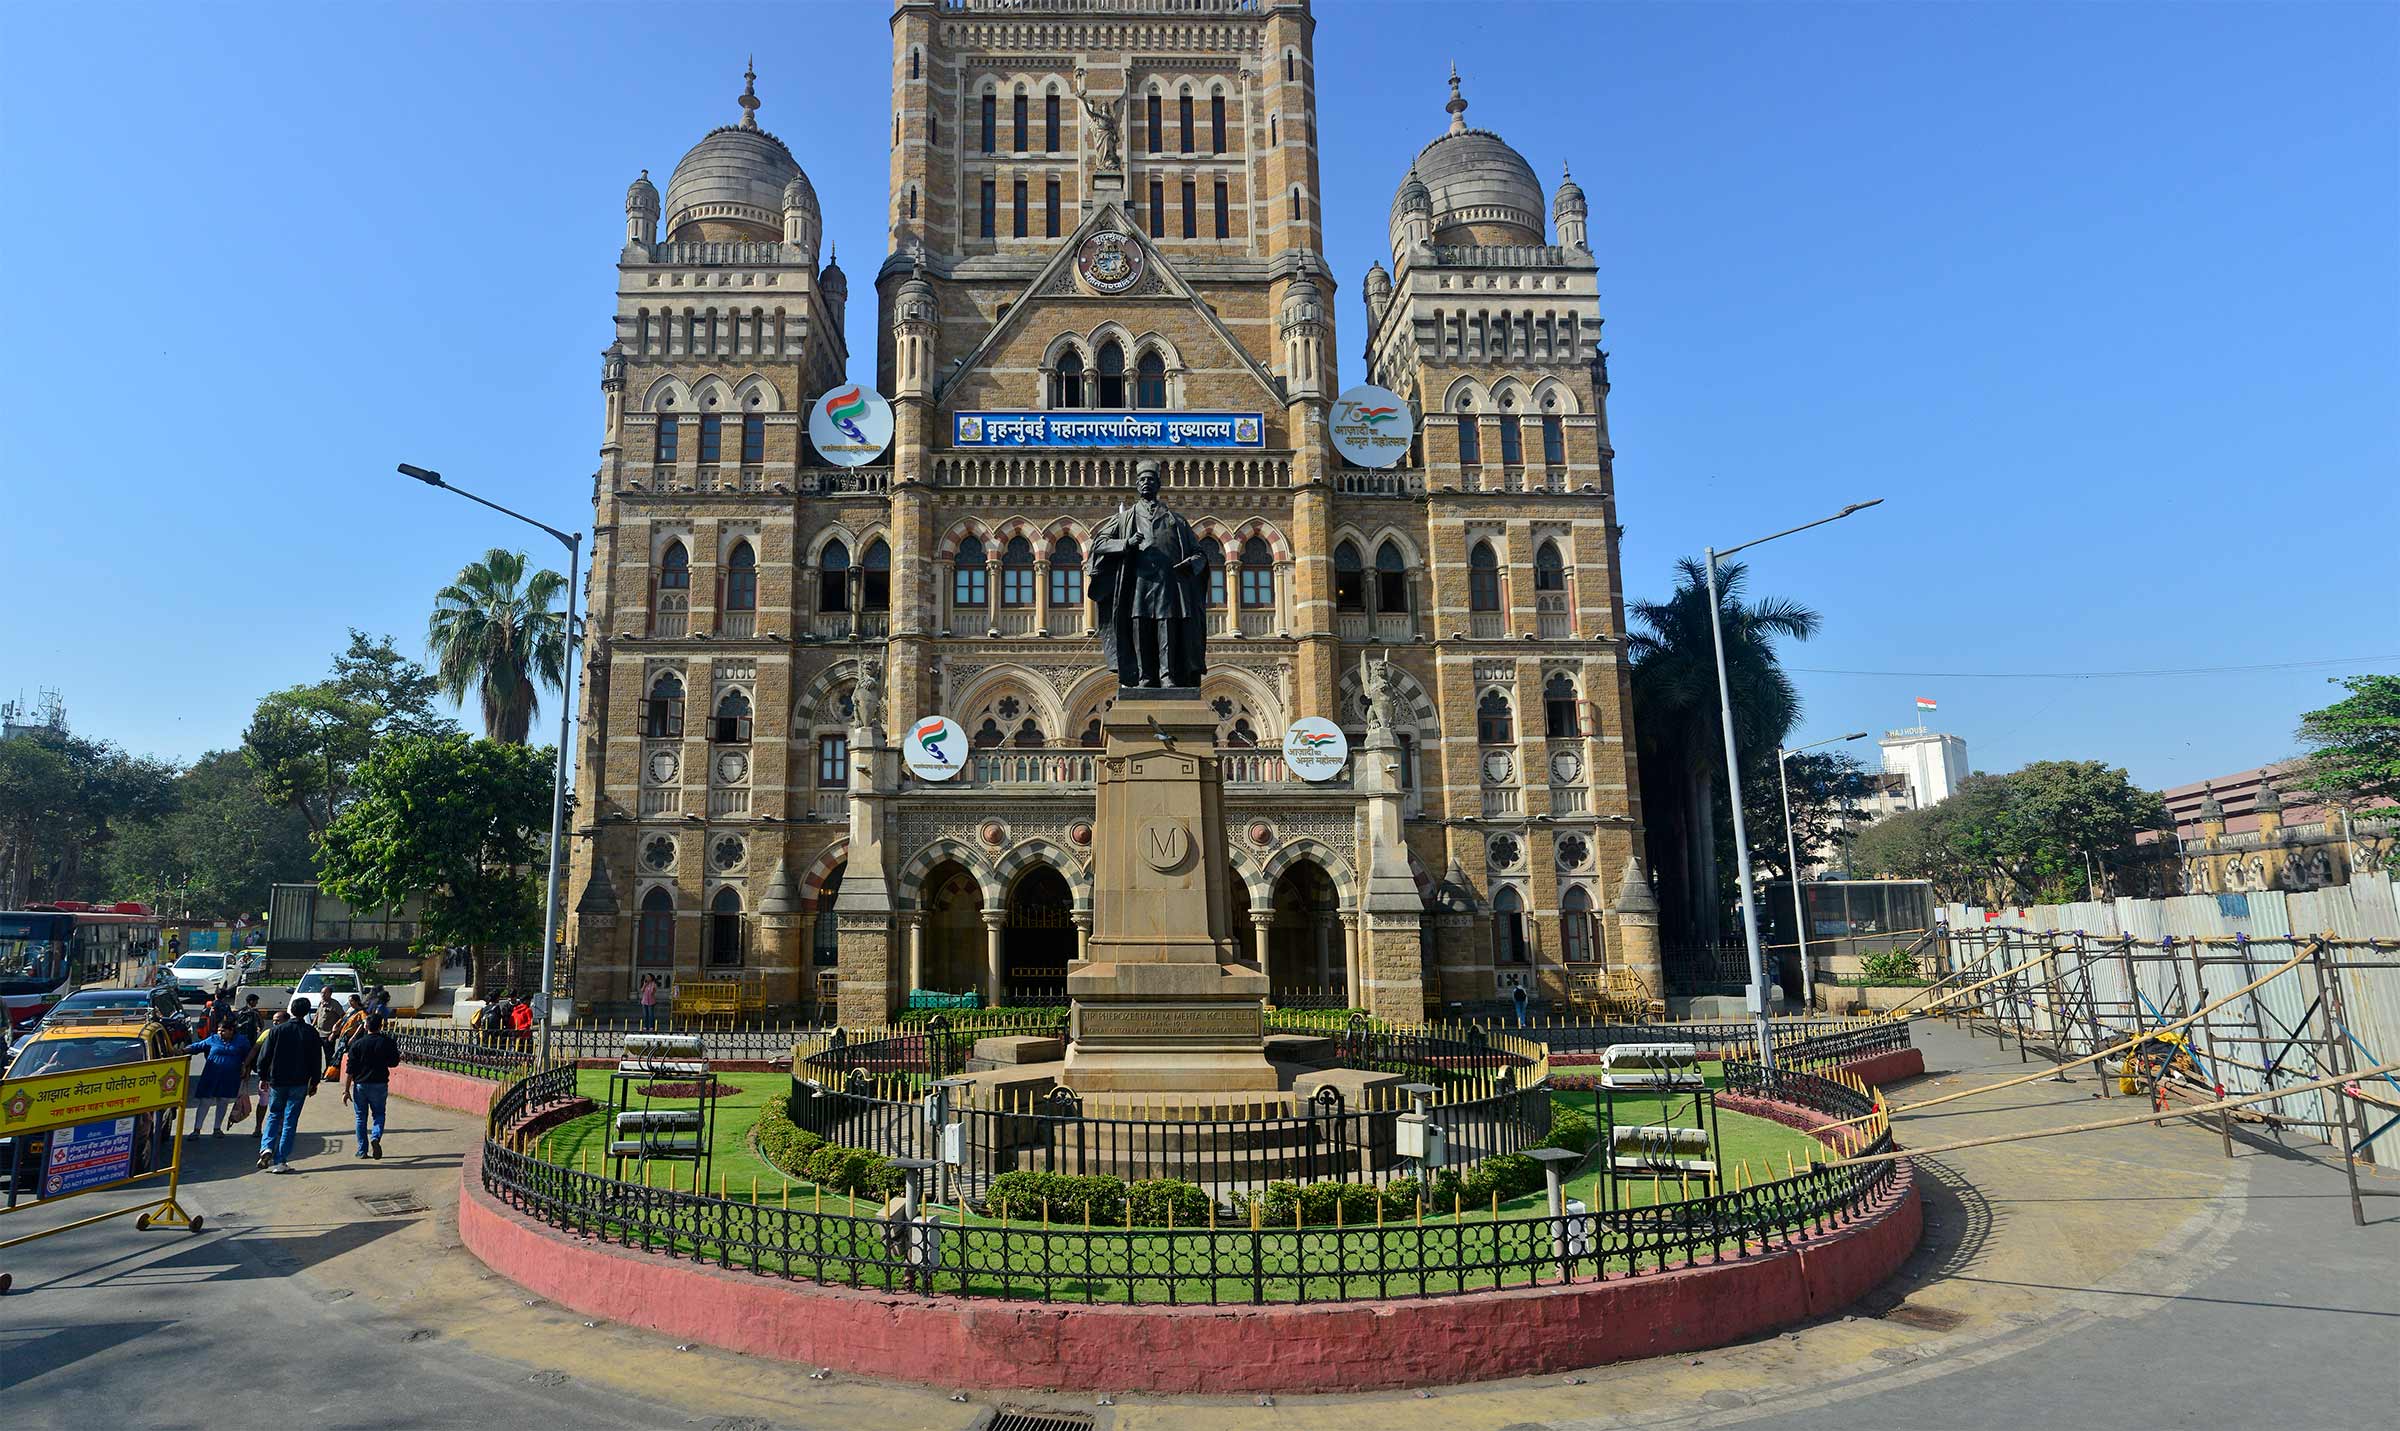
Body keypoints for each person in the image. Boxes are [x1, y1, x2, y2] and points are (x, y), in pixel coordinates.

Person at [254, 998, 326, 1174]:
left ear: (291, 1011)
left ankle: (266, 1147)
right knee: (290, 1120)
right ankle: (281, 1161)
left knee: (274, 1115)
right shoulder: (311, 1032)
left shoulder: (277, 1030)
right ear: (307, 1012)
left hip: (277, 1081)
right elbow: (316, 1059)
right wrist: (314, 1082)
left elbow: (264, 1056)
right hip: (299, 1082)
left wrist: (263, 1076)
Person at [340, 1012, 402, 1160]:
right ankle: (375, 1136)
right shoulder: (387, 1042)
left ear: (366, 1026)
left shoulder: (357, 1044)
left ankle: (362, 1150)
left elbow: (350, 1070)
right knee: (379, 1114)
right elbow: (394, 1062)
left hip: (360, 1084)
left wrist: (346, 1090)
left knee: (360, 1117)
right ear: (381, 1026)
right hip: (379, 1083)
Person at [188, 1021, 253, 1136]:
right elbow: (198, 1046)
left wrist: (246, 1071)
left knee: (223, 1101)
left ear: (231, 1031)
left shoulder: (242, 1041)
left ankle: (217, 1129)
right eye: (219, 1031)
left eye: (223, 1031)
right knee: (205, 1101)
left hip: (230, 1077)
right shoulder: (213, 1039)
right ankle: (196, 1130)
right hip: (211, 1075)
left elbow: (249, 1057)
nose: (220, 1033)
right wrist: (183, 1050)